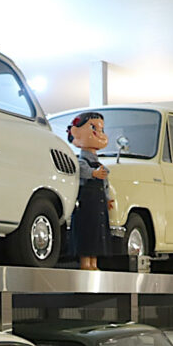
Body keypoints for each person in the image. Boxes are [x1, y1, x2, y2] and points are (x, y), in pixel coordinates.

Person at [65, 111, 114, 270]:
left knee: (98, 232)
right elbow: (81, 171)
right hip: (86, 204)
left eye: (102, 130)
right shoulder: (80, 161)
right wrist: (93, 173)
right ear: (76, 133)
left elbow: (105, 183)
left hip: (98, 203)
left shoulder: (100, 165)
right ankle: (85, 262)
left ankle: (94, 262)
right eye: (94, 128)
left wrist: (107, 198)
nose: (100, 134)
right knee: (86, 231)